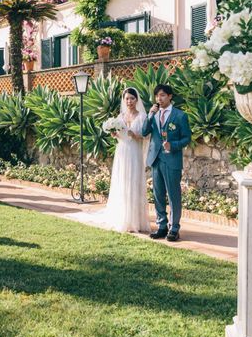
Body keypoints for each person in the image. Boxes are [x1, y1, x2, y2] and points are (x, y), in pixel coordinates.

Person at [70, 88, 150, 233]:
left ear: (136, 100)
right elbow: (119, 135)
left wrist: (134, 134)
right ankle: (123, 217)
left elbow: (146, 137)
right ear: (124, 100)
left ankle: (135, 221)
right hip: (122, 152)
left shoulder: (142, 116)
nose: (129, 101)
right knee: (122, 182)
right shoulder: (121, 116)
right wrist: (114, 134)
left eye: (132, 98)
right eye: (126, 99)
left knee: (133, 182)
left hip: (134, 153)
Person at [141, 84, 191, 242]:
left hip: (172, 160)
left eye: (162, 95)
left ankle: (174, 228)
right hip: (156, 159)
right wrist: (149, 115)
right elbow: (144, 132)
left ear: (170, 96)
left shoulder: (180, 116)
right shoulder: (154, 114)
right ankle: (161, 226)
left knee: (173, 195)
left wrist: (173, 145)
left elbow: (187, 138)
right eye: (157, 96)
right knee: (158, 195)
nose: (159, 99)